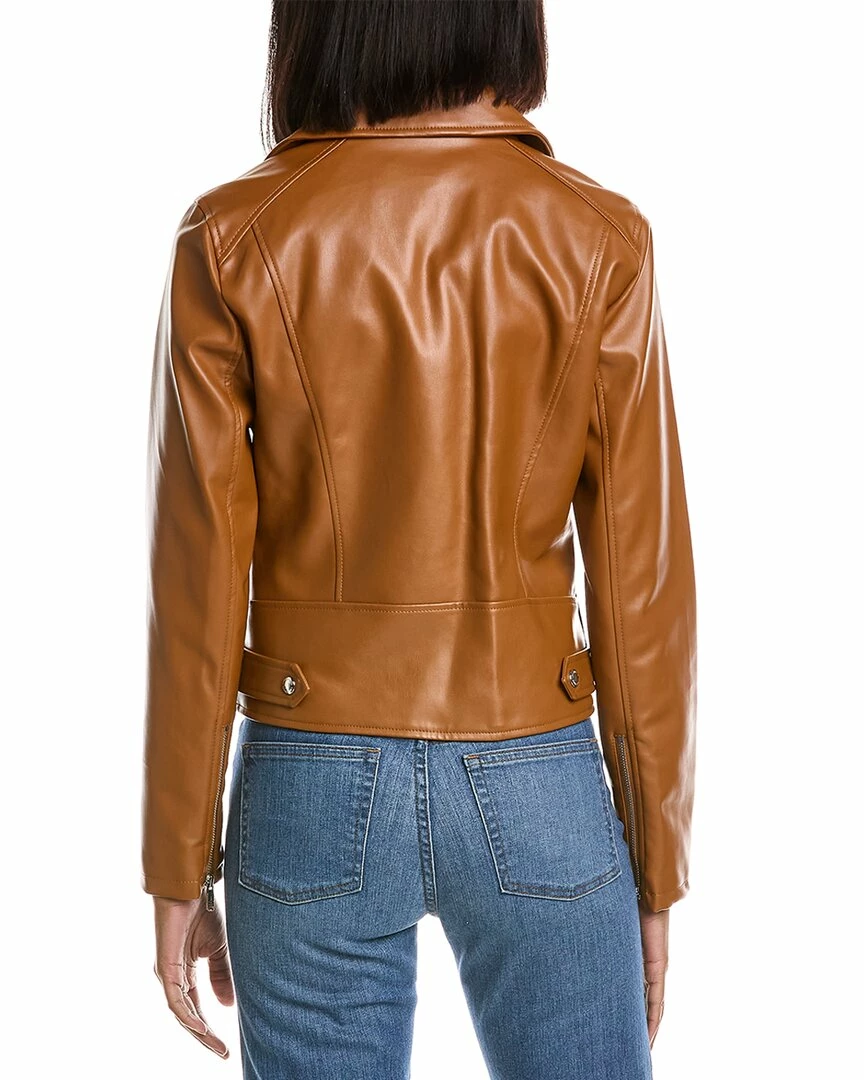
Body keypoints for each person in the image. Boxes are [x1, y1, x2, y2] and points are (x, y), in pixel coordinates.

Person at [141, 2, 697, 1077]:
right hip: (536, 770)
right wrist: (656, 871)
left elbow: (194, 581)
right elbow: (644, 587)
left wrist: (177, 863)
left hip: (308, 772)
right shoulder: (599, 237)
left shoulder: (231, 236)